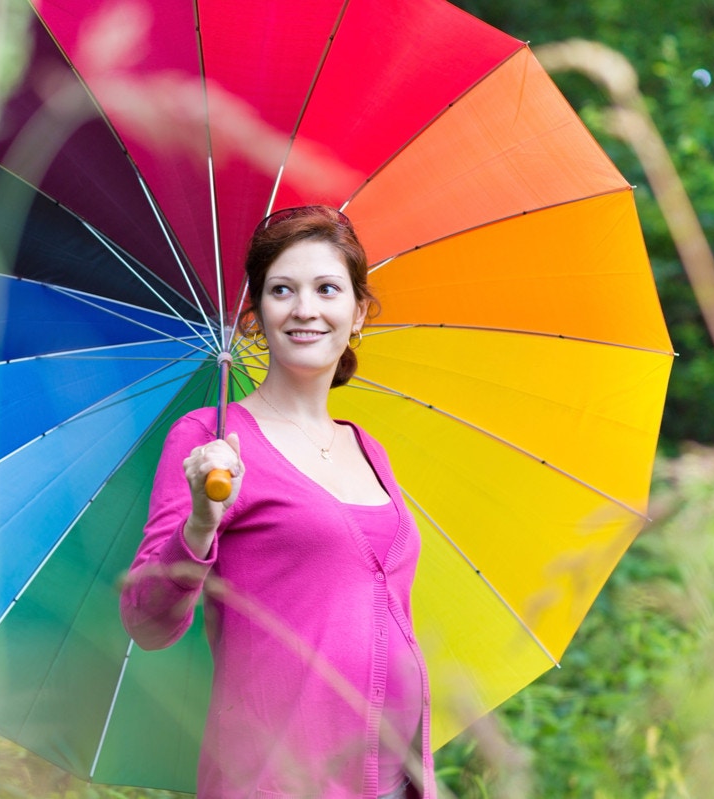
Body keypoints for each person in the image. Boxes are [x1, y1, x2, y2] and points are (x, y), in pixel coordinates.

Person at [120, 205, 435, 798]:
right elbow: (146, 620)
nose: (306, 309)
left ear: (358, 311)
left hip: (391, 776)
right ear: (255, 317)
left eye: (327, 289)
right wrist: (200, 524)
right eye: (282, 290)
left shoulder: (369, 450)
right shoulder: (210, 441)